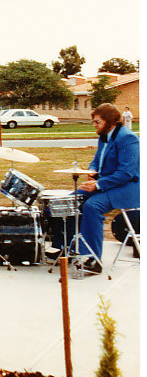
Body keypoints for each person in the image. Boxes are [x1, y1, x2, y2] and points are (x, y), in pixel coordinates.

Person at [56, 103, 139, 273]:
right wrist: (92, 171)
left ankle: (94, 258)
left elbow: (126, 173)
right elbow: (96, 160)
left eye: (97, 122)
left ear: (111, 122)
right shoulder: (104, 136)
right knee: (69, 201)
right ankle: (67, 248)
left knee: (92, 206)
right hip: (107, 184)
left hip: (127, 188)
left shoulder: (128, 138)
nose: (94, 125)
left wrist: (99, 184)